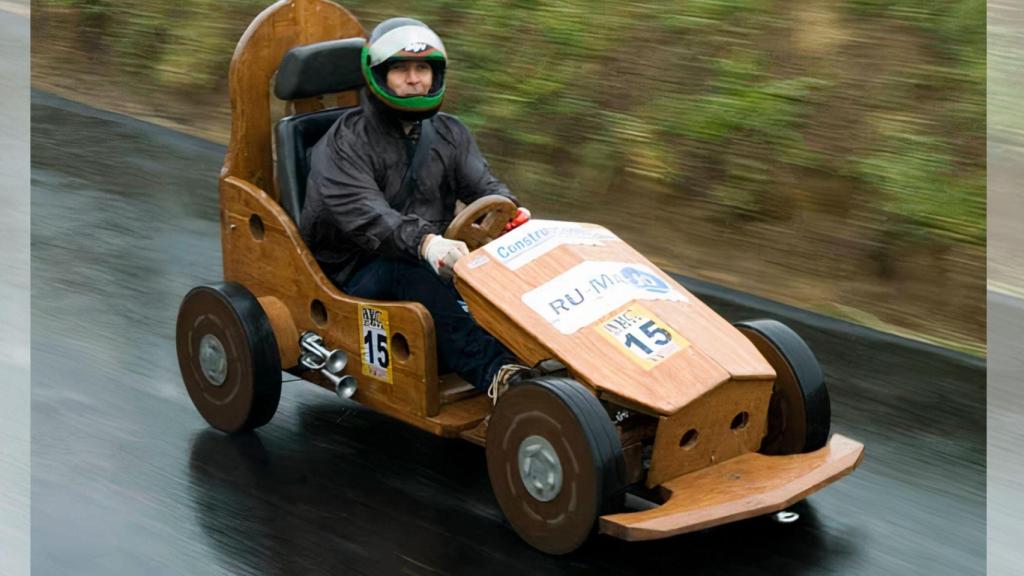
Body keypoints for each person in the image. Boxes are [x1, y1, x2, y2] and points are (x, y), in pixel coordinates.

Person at [300, 17, 531, 400]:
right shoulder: (343, 144)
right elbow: (371, 219)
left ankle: (557, 357)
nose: (414, 79)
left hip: (428, 254)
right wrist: (426, 243)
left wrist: (514, 217)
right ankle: (501, 376)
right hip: (352, 275)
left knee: (507, 259)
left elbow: (485, 189)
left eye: (422, 68)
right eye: (401, 69)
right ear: (378, 76)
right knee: (408, 271)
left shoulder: (450, 133)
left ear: (435, 75)